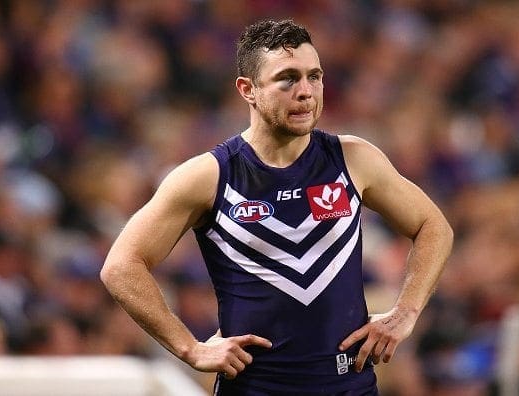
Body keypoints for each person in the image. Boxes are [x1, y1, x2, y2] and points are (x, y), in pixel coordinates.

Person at [100, 19, 454, 395]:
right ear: (247, 89)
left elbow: (433, 225)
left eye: (314, 76)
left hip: (350, 387)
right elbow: (121, 266)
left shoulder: (354, 159)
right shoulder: (209, 176)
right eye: (288, 78)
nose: (306, 92)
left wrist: (406, 312)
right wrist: (190, 348)